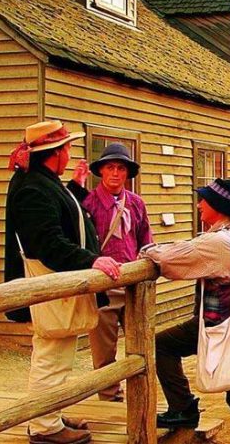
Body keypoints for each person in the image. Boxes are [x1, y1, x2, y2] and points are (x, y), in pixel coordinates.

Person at [4, 120, 122, 444]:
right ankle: (44, 427)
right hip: (48, 280)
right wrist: (91, 260)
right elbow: (48, 242)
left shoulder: (43, 182)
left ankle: (49, 414)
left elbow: (63, 213)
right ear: (53, 153)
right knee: (51, 353)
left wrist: (76, 187)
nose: (70, 152)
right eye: (67, 147)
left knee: (57, 352)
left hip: (56, 280)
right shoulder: (32, 188)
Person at [142, 178, 230, 444]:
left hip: (225, 323)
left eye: (203, 200)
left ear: (217, 206)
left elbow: (173, 258)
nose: (198, 205)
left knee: (161, 345)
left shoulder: (220, 242)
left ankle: (182, 408)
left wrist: (147, 251)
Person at [67, 143, 152, 403]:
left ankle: (142, 397)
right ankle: (109, 397)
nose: (115, 173)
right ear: (101, 171)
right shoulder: (89, 202)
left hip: (132, 282)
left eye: (121, 168)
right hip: (103, 284)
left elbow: (145, 238)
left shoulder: (136, 203)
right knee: (103, 349)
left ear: (127, 173)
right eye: (110, 167)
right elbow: (73, 229)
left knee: (142, 343)